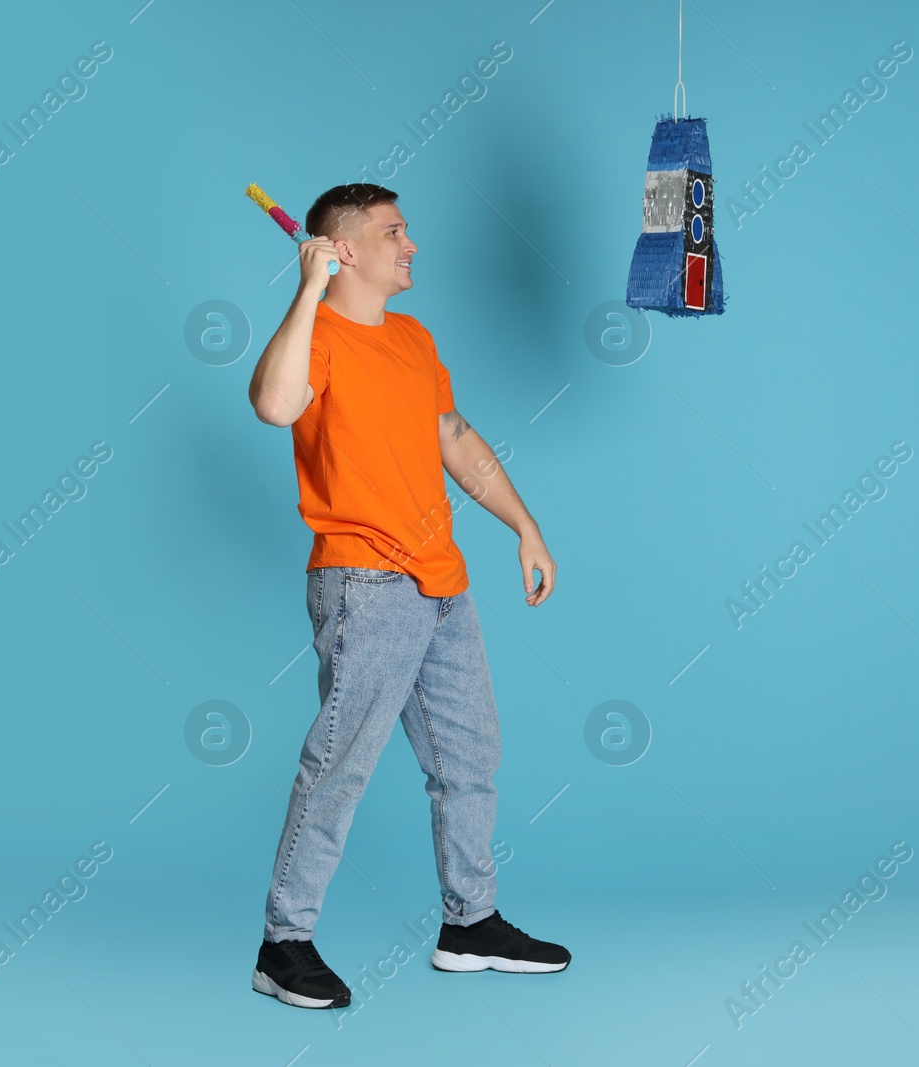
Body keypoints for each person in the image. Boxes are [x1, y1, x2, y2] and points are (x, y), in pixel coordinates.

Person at [246, 183, 571, 1010]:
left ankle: (471, 922)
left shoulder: (414, 338)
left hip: (442, 582)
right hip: (363, 581)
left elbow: (454, 438)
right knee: (340, 765)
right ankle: (284, 945)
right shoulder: (314, 335)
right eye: (394, 232)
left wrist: (524, 528)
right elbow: (274, 404)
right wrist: (307, 290)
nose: (412, 244)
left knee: (470, 760)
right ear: (342, 248)